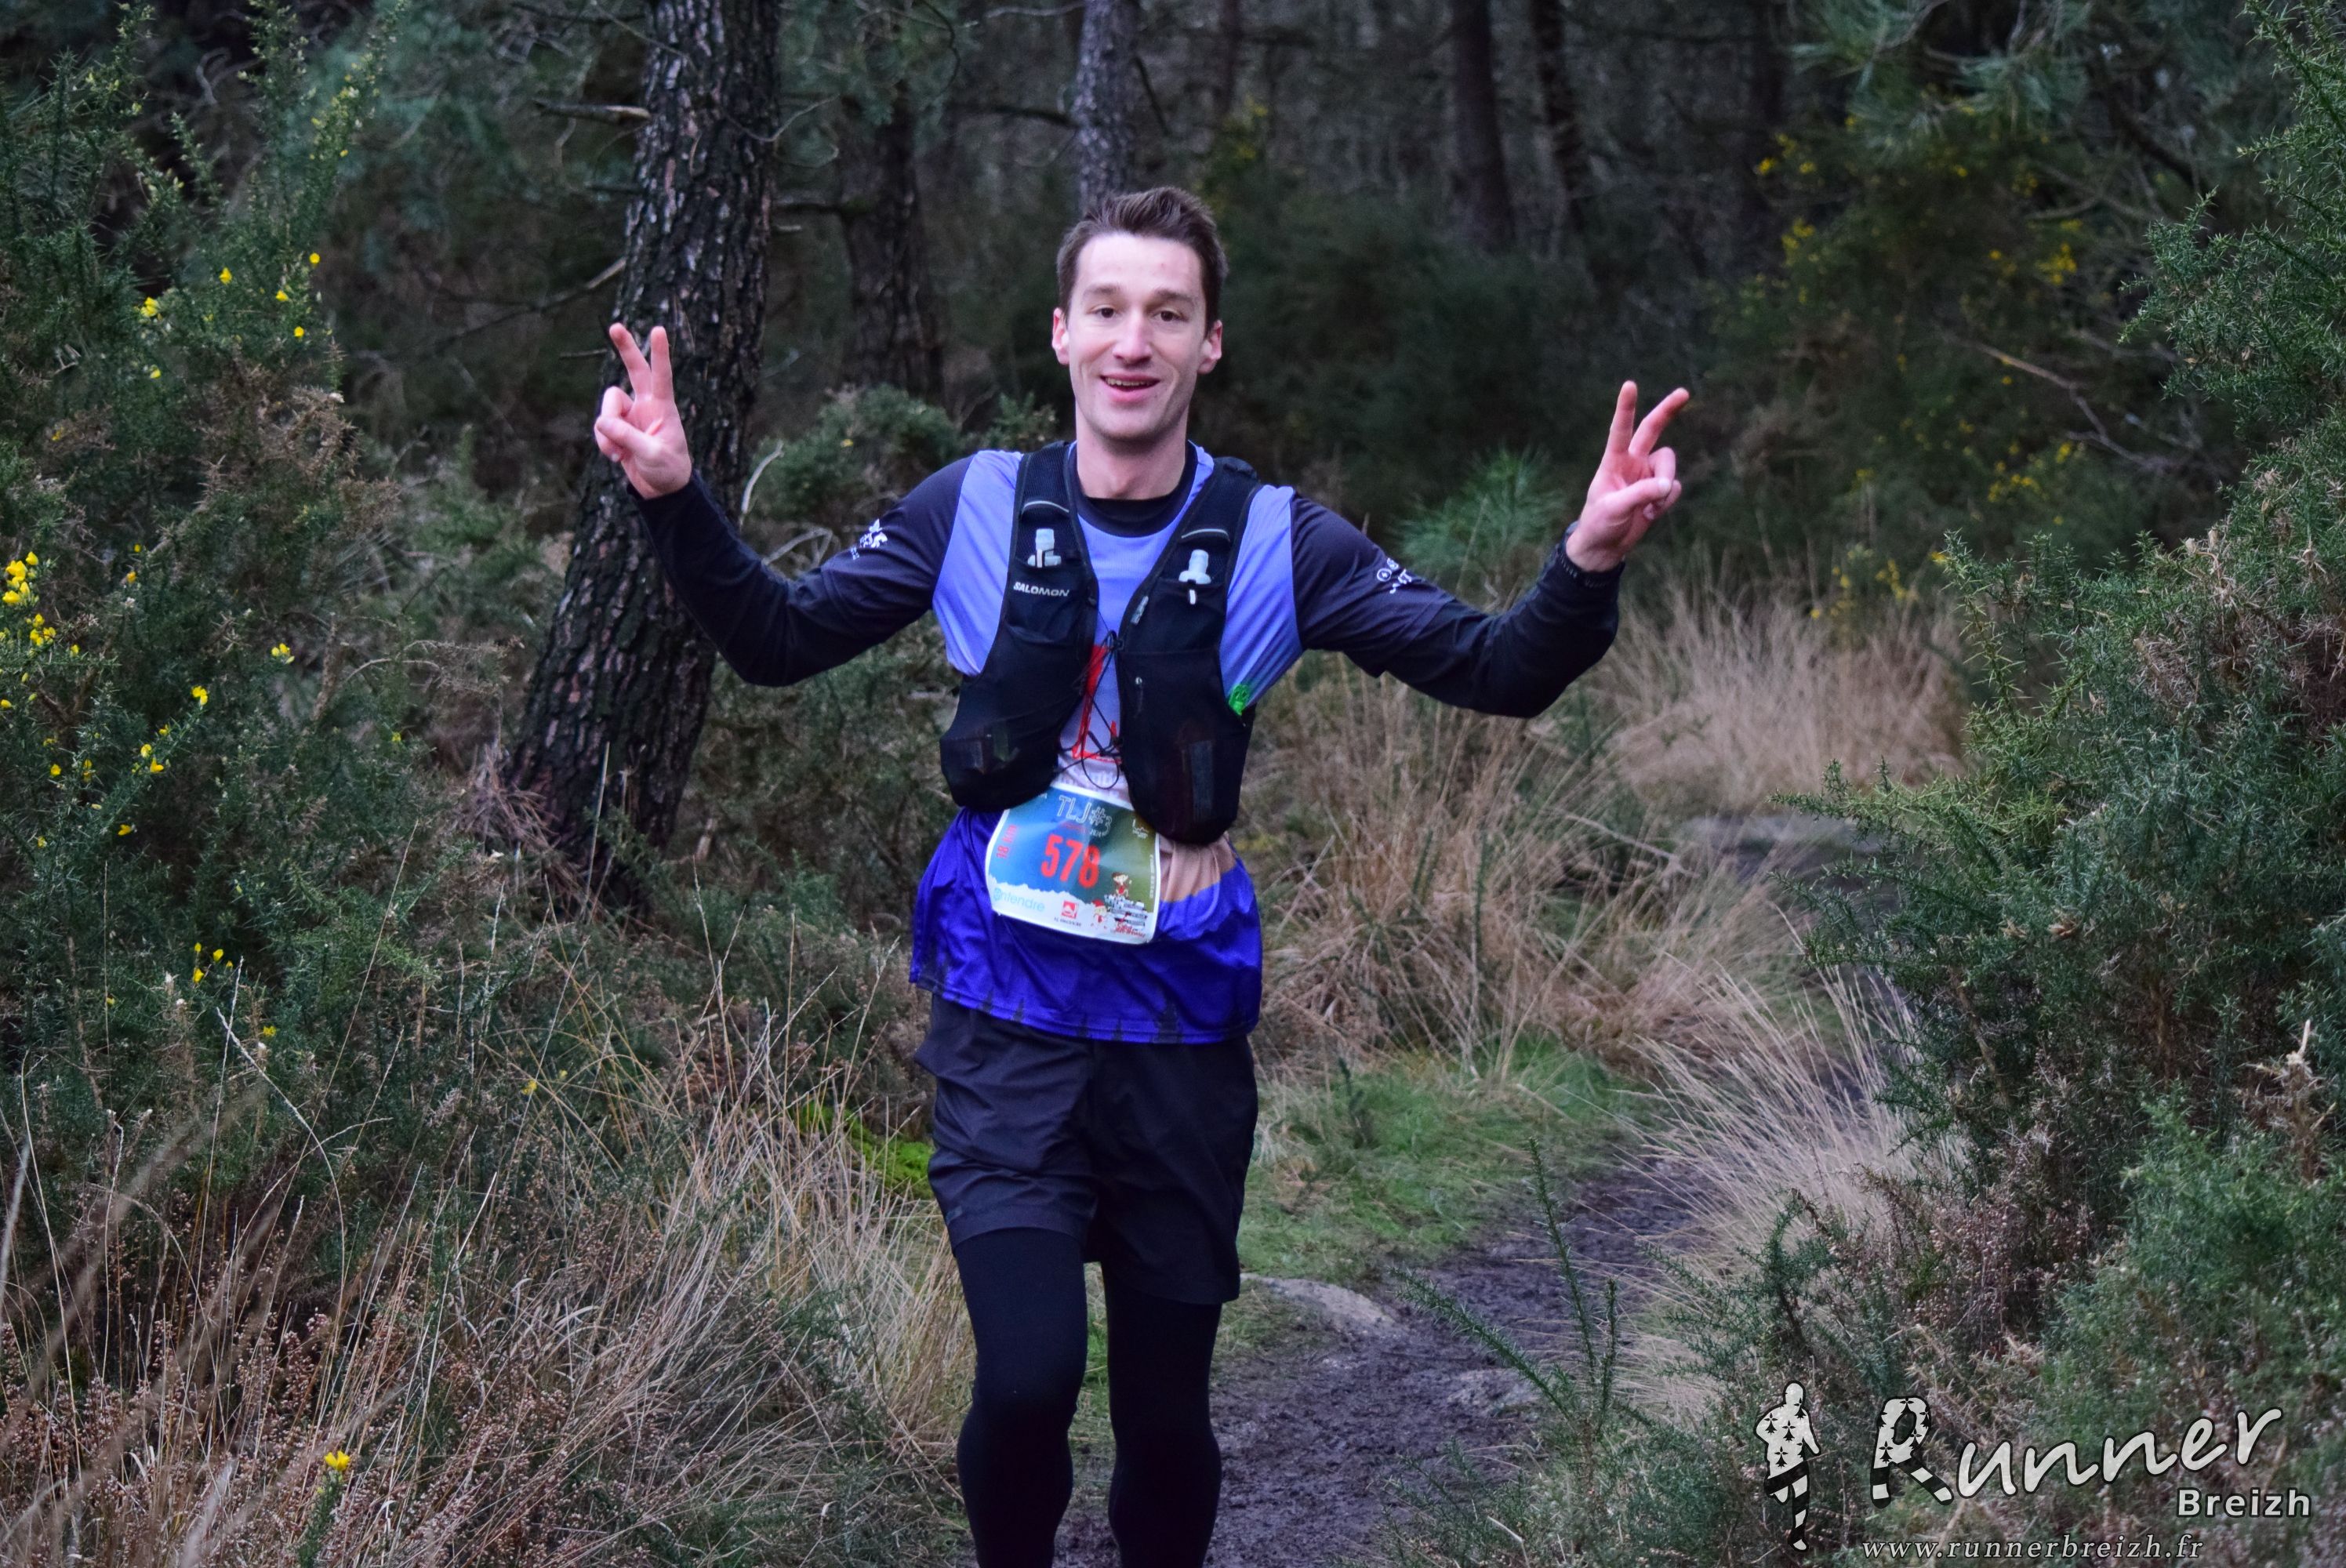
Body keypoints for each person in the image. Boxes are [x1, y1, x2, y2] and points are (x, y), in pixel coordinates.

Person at [592, 185, 1686, 1568]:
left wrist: (1586, 559)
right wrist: (675, 496)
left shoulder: (1282, 541)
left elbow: (1497, 669)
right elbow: (777, 639)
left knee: (1166, 1420)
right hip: (1006, 1018)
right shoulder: (974, 508)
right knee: (1027, 1380)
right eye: (1106, 309)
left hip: (1178, 1030)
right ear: (1061, 331)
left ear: (1209, 343)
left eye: (1168, 314)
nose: (1134, 340)